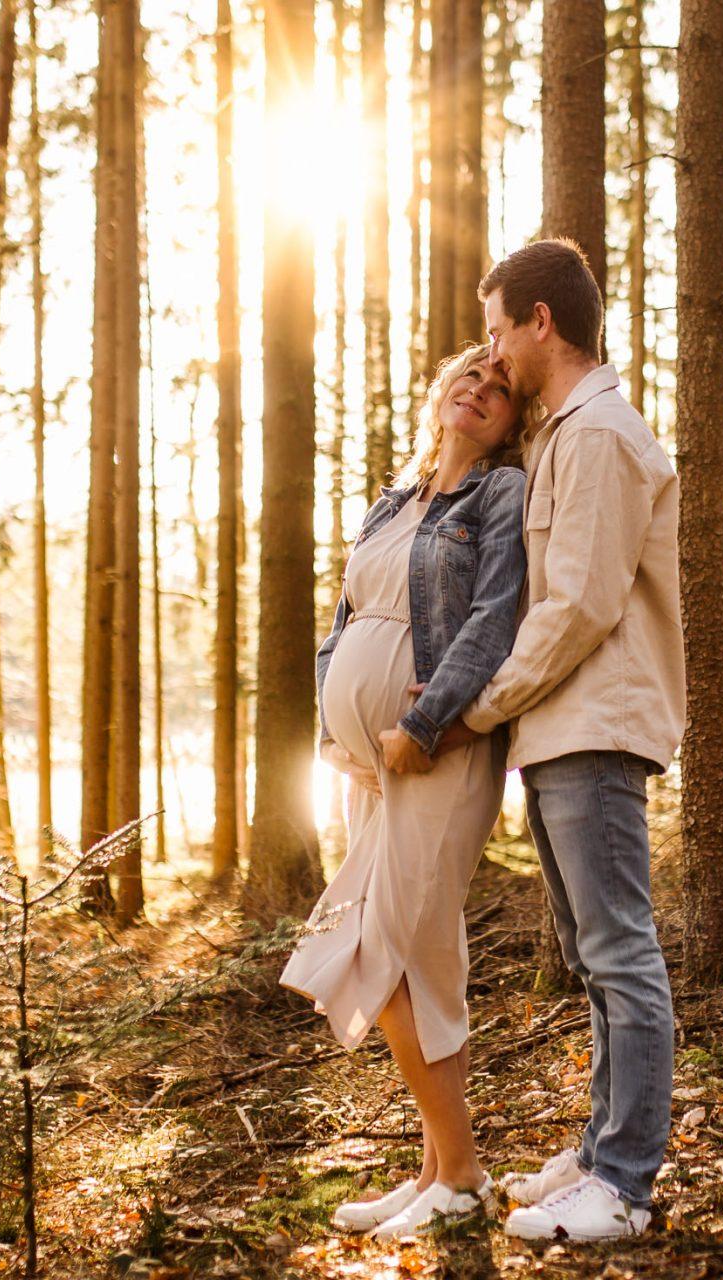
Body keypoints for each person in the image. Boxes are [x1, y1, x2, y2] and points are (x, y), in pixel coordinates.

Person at [405, 239, 686, 1240]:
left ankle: (626, 1180)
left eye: (496, 328)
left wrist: (471, 710)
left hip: (596, 723)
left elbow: (578, 605)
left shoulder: (601, 432)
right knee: (590, 946)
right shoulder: (564, 432)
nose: (491, 350)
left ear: (540, 322)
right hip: (562, 727)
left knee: (619, 950)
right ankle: (605, 1139)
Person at [278, 344, 539, 1242]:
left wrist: (420, 729)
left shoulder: (500, 495)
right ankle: (435, 1169)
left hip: (436, 758)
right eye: (470, 375)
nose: (481, 389)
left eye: (501, 388)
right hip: (368, 767)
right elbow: (345, 623)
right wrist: (331, 734)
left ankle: (462, 1172)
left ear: (512, 421)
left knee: (381, 951)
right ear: (441, 393)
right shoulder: (393, 503)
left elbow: (493, 617)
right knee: (428, 963)